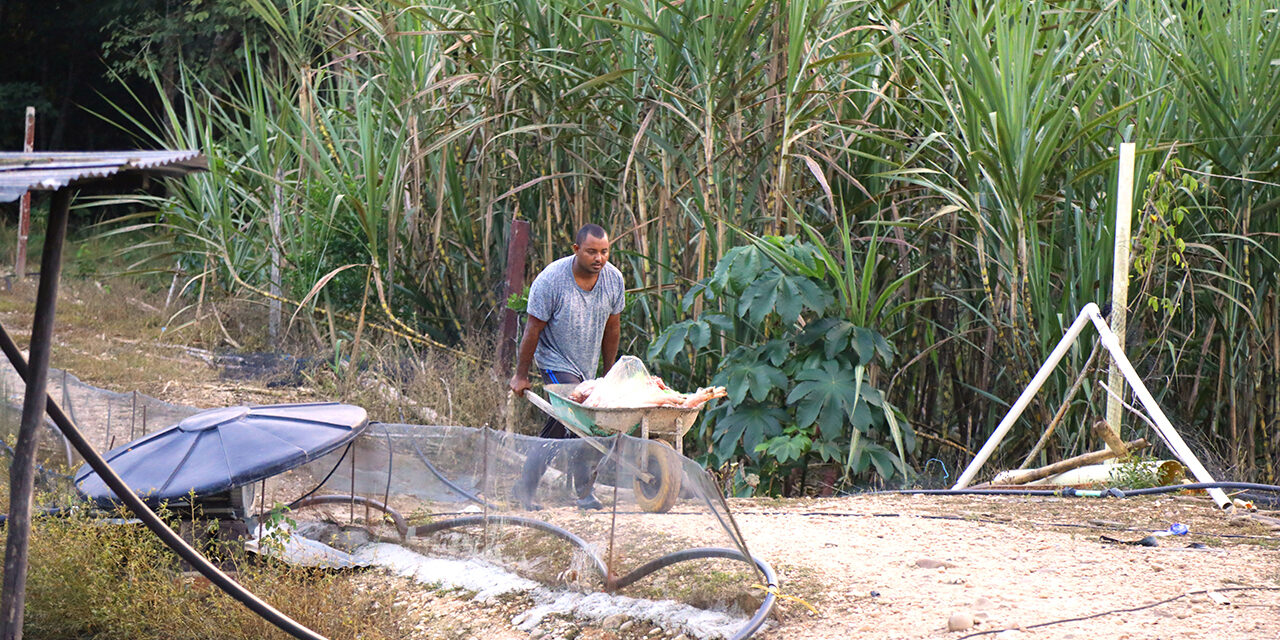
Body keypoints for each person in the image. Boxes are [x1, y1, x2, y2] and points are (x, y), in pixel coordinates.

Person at [509, 223, 624, 510]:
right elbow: (532, 330)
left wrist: (608, 374)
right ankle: (570, 492)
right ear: (576, 250)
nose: (599, 259)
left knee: (588, 424)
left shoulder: (613, 280)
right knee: (569, 419)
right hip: (554, 359)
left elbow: (613, 328)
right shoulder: (551, 280)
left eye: (604, 252)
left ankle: (578, 490)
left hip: (586, 364)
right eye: (591, 252)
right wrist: (521, 375)